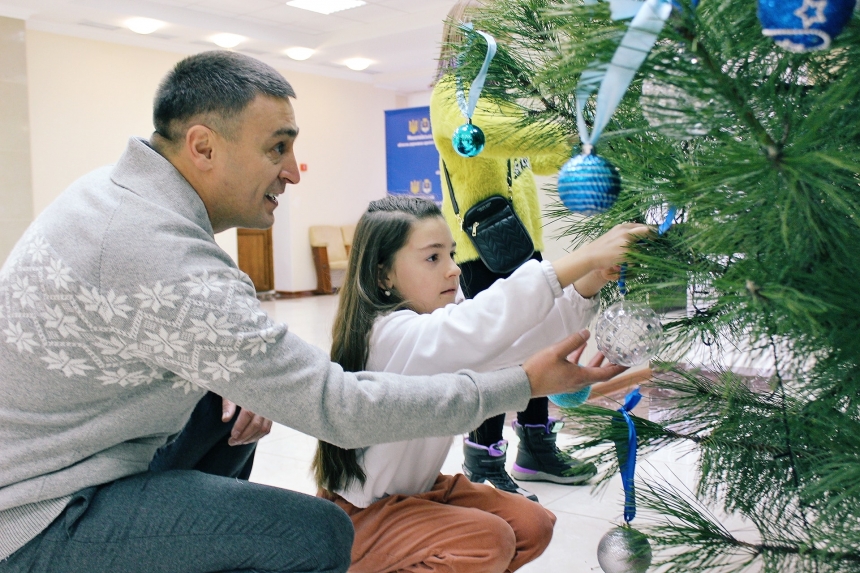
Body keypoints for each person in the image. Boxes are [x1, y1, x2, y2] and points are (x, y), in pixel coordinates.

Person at [0, 51, 627, 573]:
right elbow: (342, 408)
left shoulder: (112, 195)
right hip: (36, 516)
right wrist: (530, 376)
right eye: (278, 149)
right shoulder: (154, 250)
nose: (294, 173)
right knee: (318, 534)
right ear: (203, 146)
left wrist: (229, 376)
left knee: (230, 413)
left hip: (68, 459)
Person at [313, 196, 648, 572]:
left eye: (452, 255)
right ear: (383, 275)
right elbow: (484, 323)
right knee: (488, 541)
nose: (453, 270)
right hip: (360, 515)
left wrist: (591, 279)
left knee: (533, 525)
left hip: (419, 493)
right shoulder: (389, 335)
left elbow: (514, 336)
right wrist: (585, 258)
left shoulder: (435, 328)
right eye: (433, 258)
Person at [431, 0, 589, 500]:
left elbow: (540, 162)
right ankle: (483, 460)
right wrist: (560, 128)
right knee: (497, 357)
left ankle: (537, 448)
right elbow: (486, 134)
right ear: (469, 36)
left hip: (526, 246)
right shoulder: (451, 94)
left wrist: (572, 142)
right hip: (483, 252)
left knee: (538, 348)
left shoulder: (500, 99)